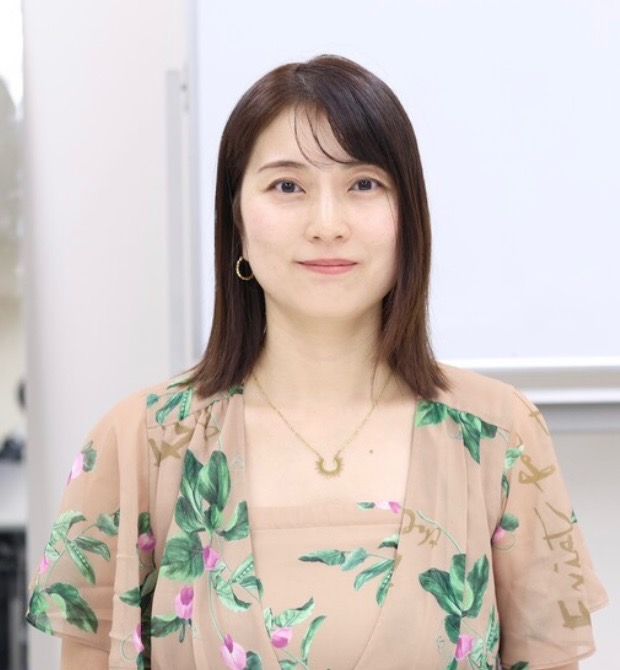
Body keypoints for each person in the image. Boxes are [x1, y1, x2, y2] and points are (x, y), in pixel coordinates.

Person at [26, 55, 607, 670]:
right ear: (236, 221)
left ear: (408, 217)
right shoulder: (139, 443)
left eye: (364, 184)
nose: (327, 225)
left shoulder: (499, 436)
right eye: (287, 186)